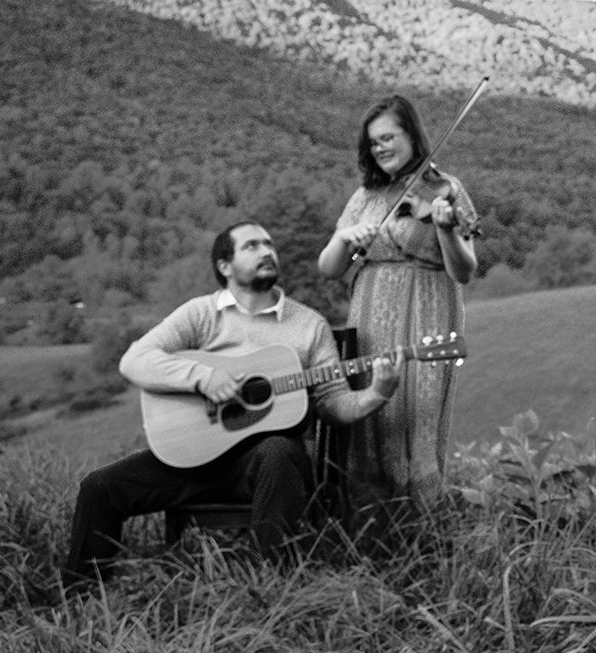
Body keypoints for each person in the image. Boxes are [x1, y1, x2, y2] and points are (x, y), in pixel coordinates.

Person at [62, 220, 402, 589]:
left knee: (279, 450)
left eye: (269, 244)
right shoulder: (201, 313)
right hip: (192, 458)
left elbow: (332, 402)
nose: (267, 251)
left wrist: (376, 393)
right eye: (253, 246)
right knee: (100, 487)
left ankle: (273, 587)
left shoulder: (308, 325)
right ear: (225, 266)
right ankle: (80, 596)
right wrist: (203, 378)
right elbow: (135, 360)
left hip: (263, 467)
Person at [317, 94, 478, 527]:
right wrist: (346, 237)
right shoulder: (365, 196)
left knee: (415, 420)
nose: (380, 148)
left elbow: (464, 270)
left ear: (412, 135)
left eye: (388, 137)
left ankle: (421, 532)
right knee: (370, 418)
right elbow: (329, 269)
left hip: (427, 313)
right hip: (368, 316)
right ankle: (370, 528)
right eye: (373, 142)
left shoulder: (446, 189)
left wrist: (445, 230)